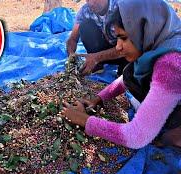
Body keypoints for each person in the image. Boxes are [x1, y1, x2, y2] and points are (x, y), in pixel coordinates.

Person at [61, 0, 181, 155]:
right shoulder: (155, 42)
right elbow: (126, 78)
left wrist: (83, 120)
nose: (118, 47)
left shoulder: (171, 63)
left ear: (145, 30)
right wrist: (99, 98)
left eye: (124, 38)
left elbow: (136, 136)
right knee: (131, 72)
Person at [66, 0, 128, 76]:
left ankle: (126, 65)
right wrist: (71, 56)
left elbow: (130, 46)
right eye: (87, 0)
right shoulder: (85, 10)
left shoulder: (122, 7)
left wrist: (96, 58)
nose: (91, 3)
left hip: (126, 52)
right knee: (84, 25)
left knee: (128, 78)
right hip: (105, 48)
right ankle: (97, 64)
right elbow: (72, 39)